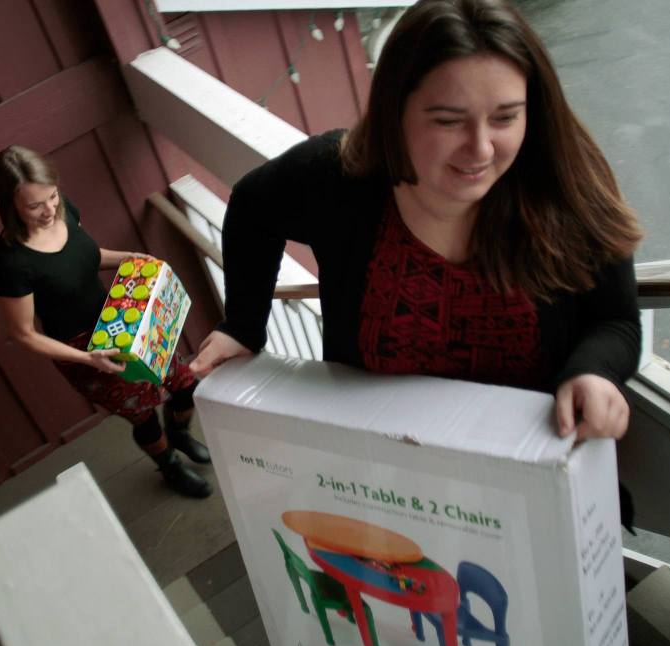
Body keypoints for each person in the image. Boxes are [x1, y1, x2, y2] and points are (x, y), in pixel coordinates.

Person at [190, 0, 644, 446]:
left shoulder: (568, 186)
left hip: (528, 466)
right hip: (381, 465)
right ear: (395, 111)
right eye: (449, 121)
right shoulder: (338, 178)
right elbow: (252, 206)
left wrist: (594, 371)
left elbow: (615, 320)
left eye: (505, 117)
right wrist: (243, 325)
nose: (481, 148)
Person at [0, 145, 213, 498]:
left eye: (52, 196)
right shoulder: (13, 263)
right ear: (10, 205)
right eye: (34, 205)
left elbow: (88, 256)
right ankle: (169, 465)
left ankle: (180, 433)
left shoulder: (64, 211)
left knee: (184, 384)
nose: (48, 210)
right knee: (142, 414)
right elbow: (24, 334)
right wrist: (86, 358)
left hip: (120, 319)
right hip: (81, 348)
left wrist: (132, 257)